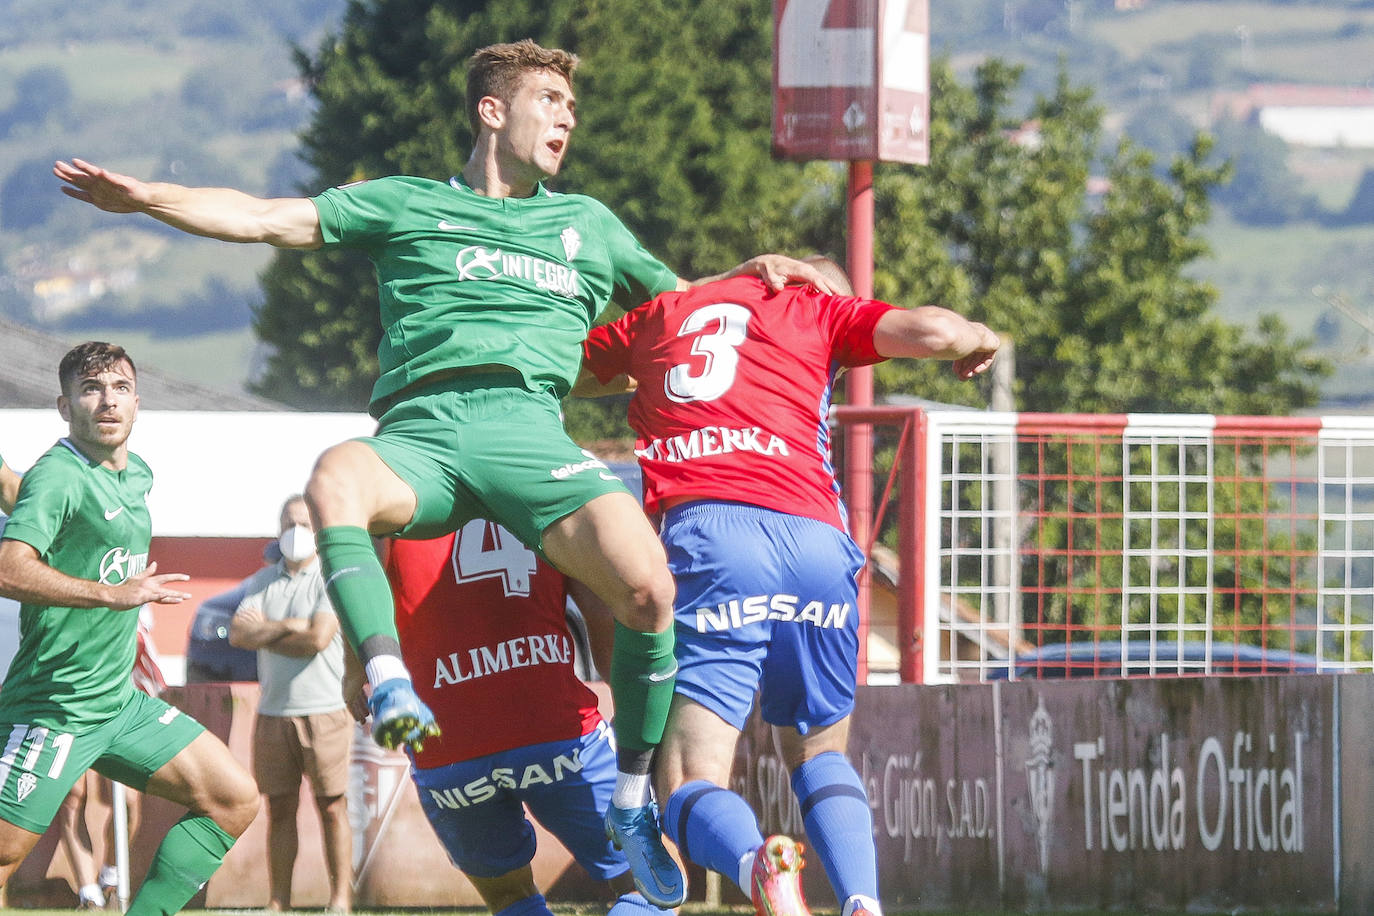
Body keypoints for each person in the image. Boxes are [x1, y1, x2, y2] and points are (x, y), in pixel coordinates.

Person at [54, 39, 830, 907]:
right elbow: (267, 217)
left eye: (573, 108)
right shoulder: (409, 204)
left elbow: (682, 308)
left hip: (531, 438)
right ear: (492, 110)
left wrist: (755, 278)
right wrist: (146, 198)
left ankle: (632, 797)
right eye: (549, 100)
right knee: (334, 479)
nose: (567, 118)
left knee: (648, 588)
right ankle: (388, 678)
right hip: (424, 435)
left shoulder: (588, 226)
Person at [578, 258, 1001, 916]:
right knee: (819, 751)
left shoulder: (663, 313)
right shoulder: (820, 309)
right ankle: (863, 901)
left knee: (689, 774)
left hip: (713, 539)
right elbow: (938, 332)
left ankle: (758, 869)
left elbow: (555, 371)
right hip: (814, 543)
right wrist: (982, 337)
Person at [0, 341, 260, 914]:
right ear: (64, 406)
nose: (107, 401)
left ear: (138, 402)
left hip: (118, 703)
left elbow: (57, 512)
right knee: (5, 852)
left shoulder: (133, 474)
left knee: (233, 799)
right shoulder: (60, 474)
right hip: (55, 704)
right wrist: (111, 595)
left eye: (119, 388)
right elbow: (9, 568)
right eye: (90, 389)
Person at [348, 522, 669, 916]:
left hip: (448, 748)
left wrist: (354, 670)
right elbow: (601, 611)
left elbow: (358, 581)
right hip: (559, 732)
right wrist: (631, 707)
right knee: (652, 886)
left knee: (510, 899)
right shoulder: (542, 486)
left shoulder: (393, 498)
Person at [229, 495, 351, 913]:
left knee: (332, 807)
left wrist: (268, 629)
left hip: (326, 709)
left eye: (303, 523)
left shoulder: (330, 576)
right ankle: (278, 902)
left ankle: (341, 901)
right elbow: (238, 636)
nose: (295, 531)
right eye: (288, 523)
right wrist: (290, 627)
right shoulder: (262, 580)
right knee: (279, 809)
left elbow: (317, 641)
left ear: (318, 529)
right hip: (273, 712)